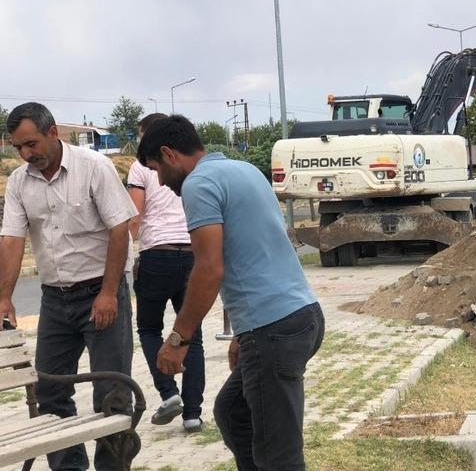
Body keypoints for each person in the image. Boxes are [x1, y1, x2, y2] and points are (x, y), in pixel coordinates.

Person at [137, 115, 324, 471]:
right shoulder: (245, 171)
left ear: (169, 154)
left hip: (272, 330)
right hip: (302, 315)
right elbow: (258, 249)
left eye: (156, 169)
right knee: (233, 412)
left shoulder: (198, 184)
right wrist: (242, 329)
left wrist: (178, 340)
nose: (160, 181)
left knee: (279, 455)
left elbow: (209, 269)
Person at [0, 102, 136, 470]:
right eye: (18, 148)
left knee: (112, 393)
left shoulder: (94, 167)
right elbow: (12, 238)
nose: (26, 154)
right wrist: (4, 298)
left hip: (101, 294)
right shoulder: (18, 181)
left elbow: (119, 229)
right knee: (51, 391)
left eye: (31, 144)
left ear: (53, 133)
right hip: (55, 300)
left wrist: (109, 292)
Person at [127, 112, 205, 432]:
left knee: (148, 328)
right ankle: (193, 414)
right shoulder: (190, 167)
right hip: (190, 251)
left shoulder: (141, 166)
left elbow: (134, 214)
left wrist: (131, 251)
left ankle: (168, 392)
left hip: (156, 254)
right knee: (193, 336)